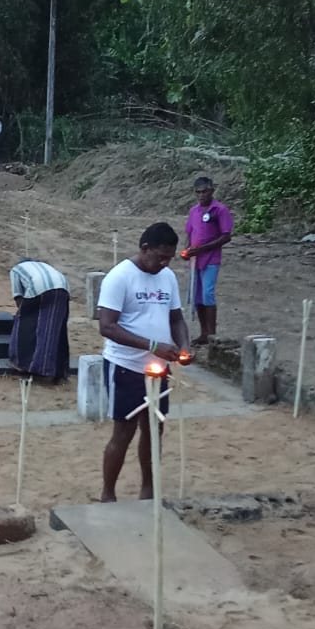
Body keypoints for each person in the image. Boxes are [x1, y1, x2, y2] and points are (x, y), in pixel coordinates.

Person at [97, 222, 190, 503]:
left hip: (159, 368)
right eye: (160, 257)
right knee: (123, 432)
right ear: (145, 248)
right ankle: (108, 493)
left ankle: (148, 489)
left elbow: (176, 318)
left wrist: (184, 346)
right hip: (124, 366)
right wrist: (152, 345)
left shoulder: (167, 278)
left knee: (154, 429)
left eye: (169, 258)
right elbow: (107, 327)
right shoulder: (119, 277)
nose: (164, 263)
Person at [183, 175, 234, 346]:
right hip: (195, 259)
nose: (201, 195)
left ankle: (212, 333)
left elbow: (226, 236)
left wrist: (204, 248)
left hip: (211, 258)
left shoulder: (219, 210)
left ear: (211, 190)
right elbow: (189, 232)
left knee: (208, 293)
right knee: (197, 295)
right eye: (198, 192)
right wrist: (187, 249)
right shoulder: (194, 211)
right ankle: (203, 332)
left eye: (204, 191)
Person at [8, 259, 70, 380]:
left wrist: (23, 314)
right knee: (55, 329)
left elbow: (18, 297)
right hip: (63, 287)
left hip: (39, 287)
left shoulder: (16, 269)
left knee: (24, 325)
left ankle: (22, 365)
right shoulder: (42, 265)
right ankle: (56, 371)